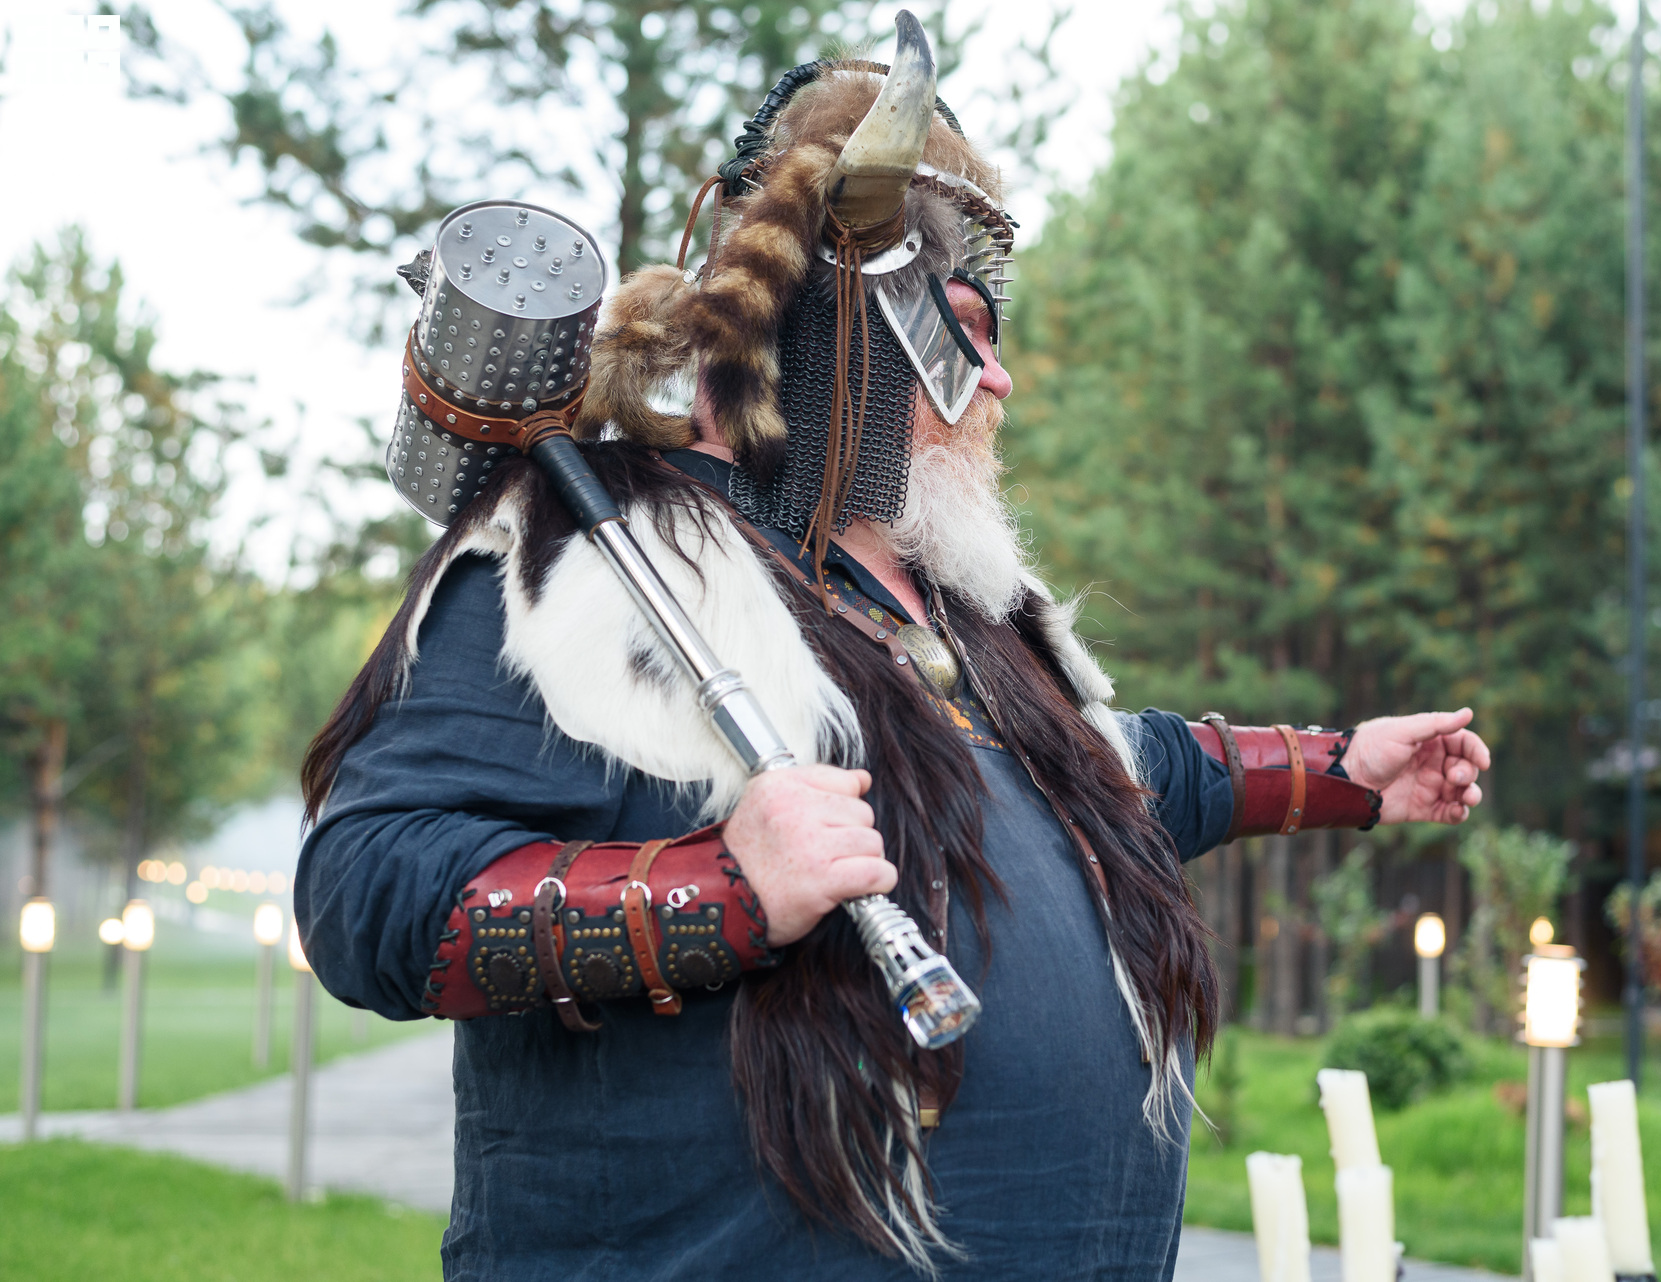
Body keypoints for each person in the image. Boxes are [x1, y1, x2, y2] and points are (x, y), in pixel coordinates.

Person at [297, 18, 1488, 1281]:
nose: (1000, 381)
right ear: (838, 339)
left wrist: (1339, 770)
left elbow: (1103, 773)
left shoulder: (960, 611)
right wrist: (720, 890)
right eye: (964, 330)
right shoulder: (593, 570)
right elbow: (368, 890)